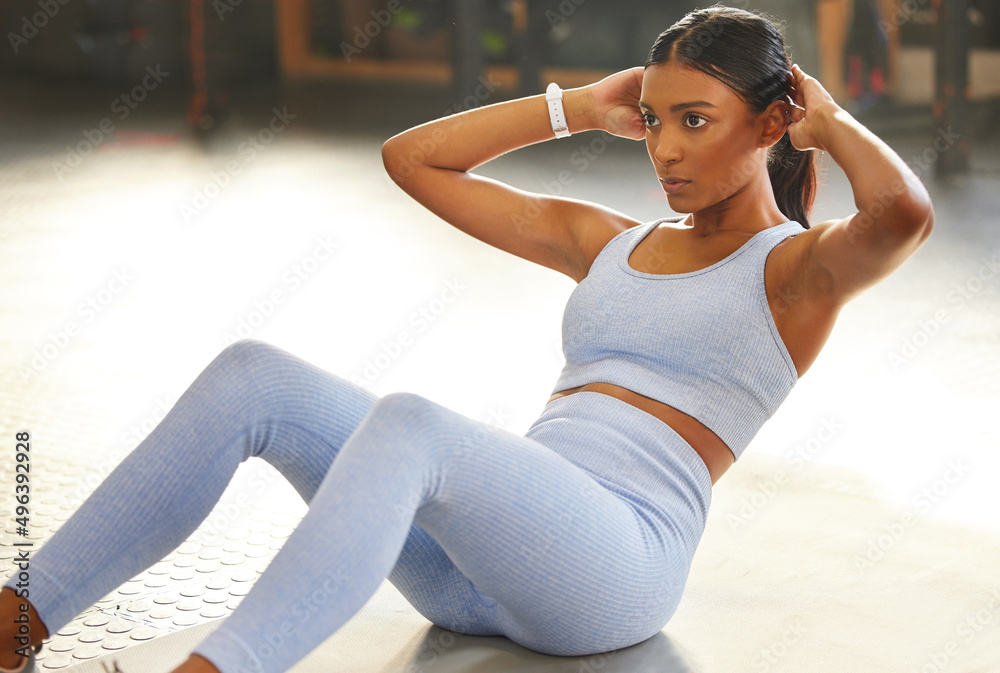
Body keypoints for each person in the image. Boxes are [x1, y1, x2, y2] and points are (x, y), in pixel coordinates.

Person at [0, 5, 933, 673]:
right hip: (489, 568)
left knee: (409, 424)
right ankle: (20, 617)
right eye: (654, 121)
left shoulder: (794, 271)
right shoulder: (609, 241)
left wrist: (833, 120)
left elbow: (903, 215)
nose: (666, 149)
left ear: (774, 123)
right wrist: (574, 106)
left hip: (614, 569)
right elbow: (412, 159)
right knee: (256, 377)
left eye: (695, 121)